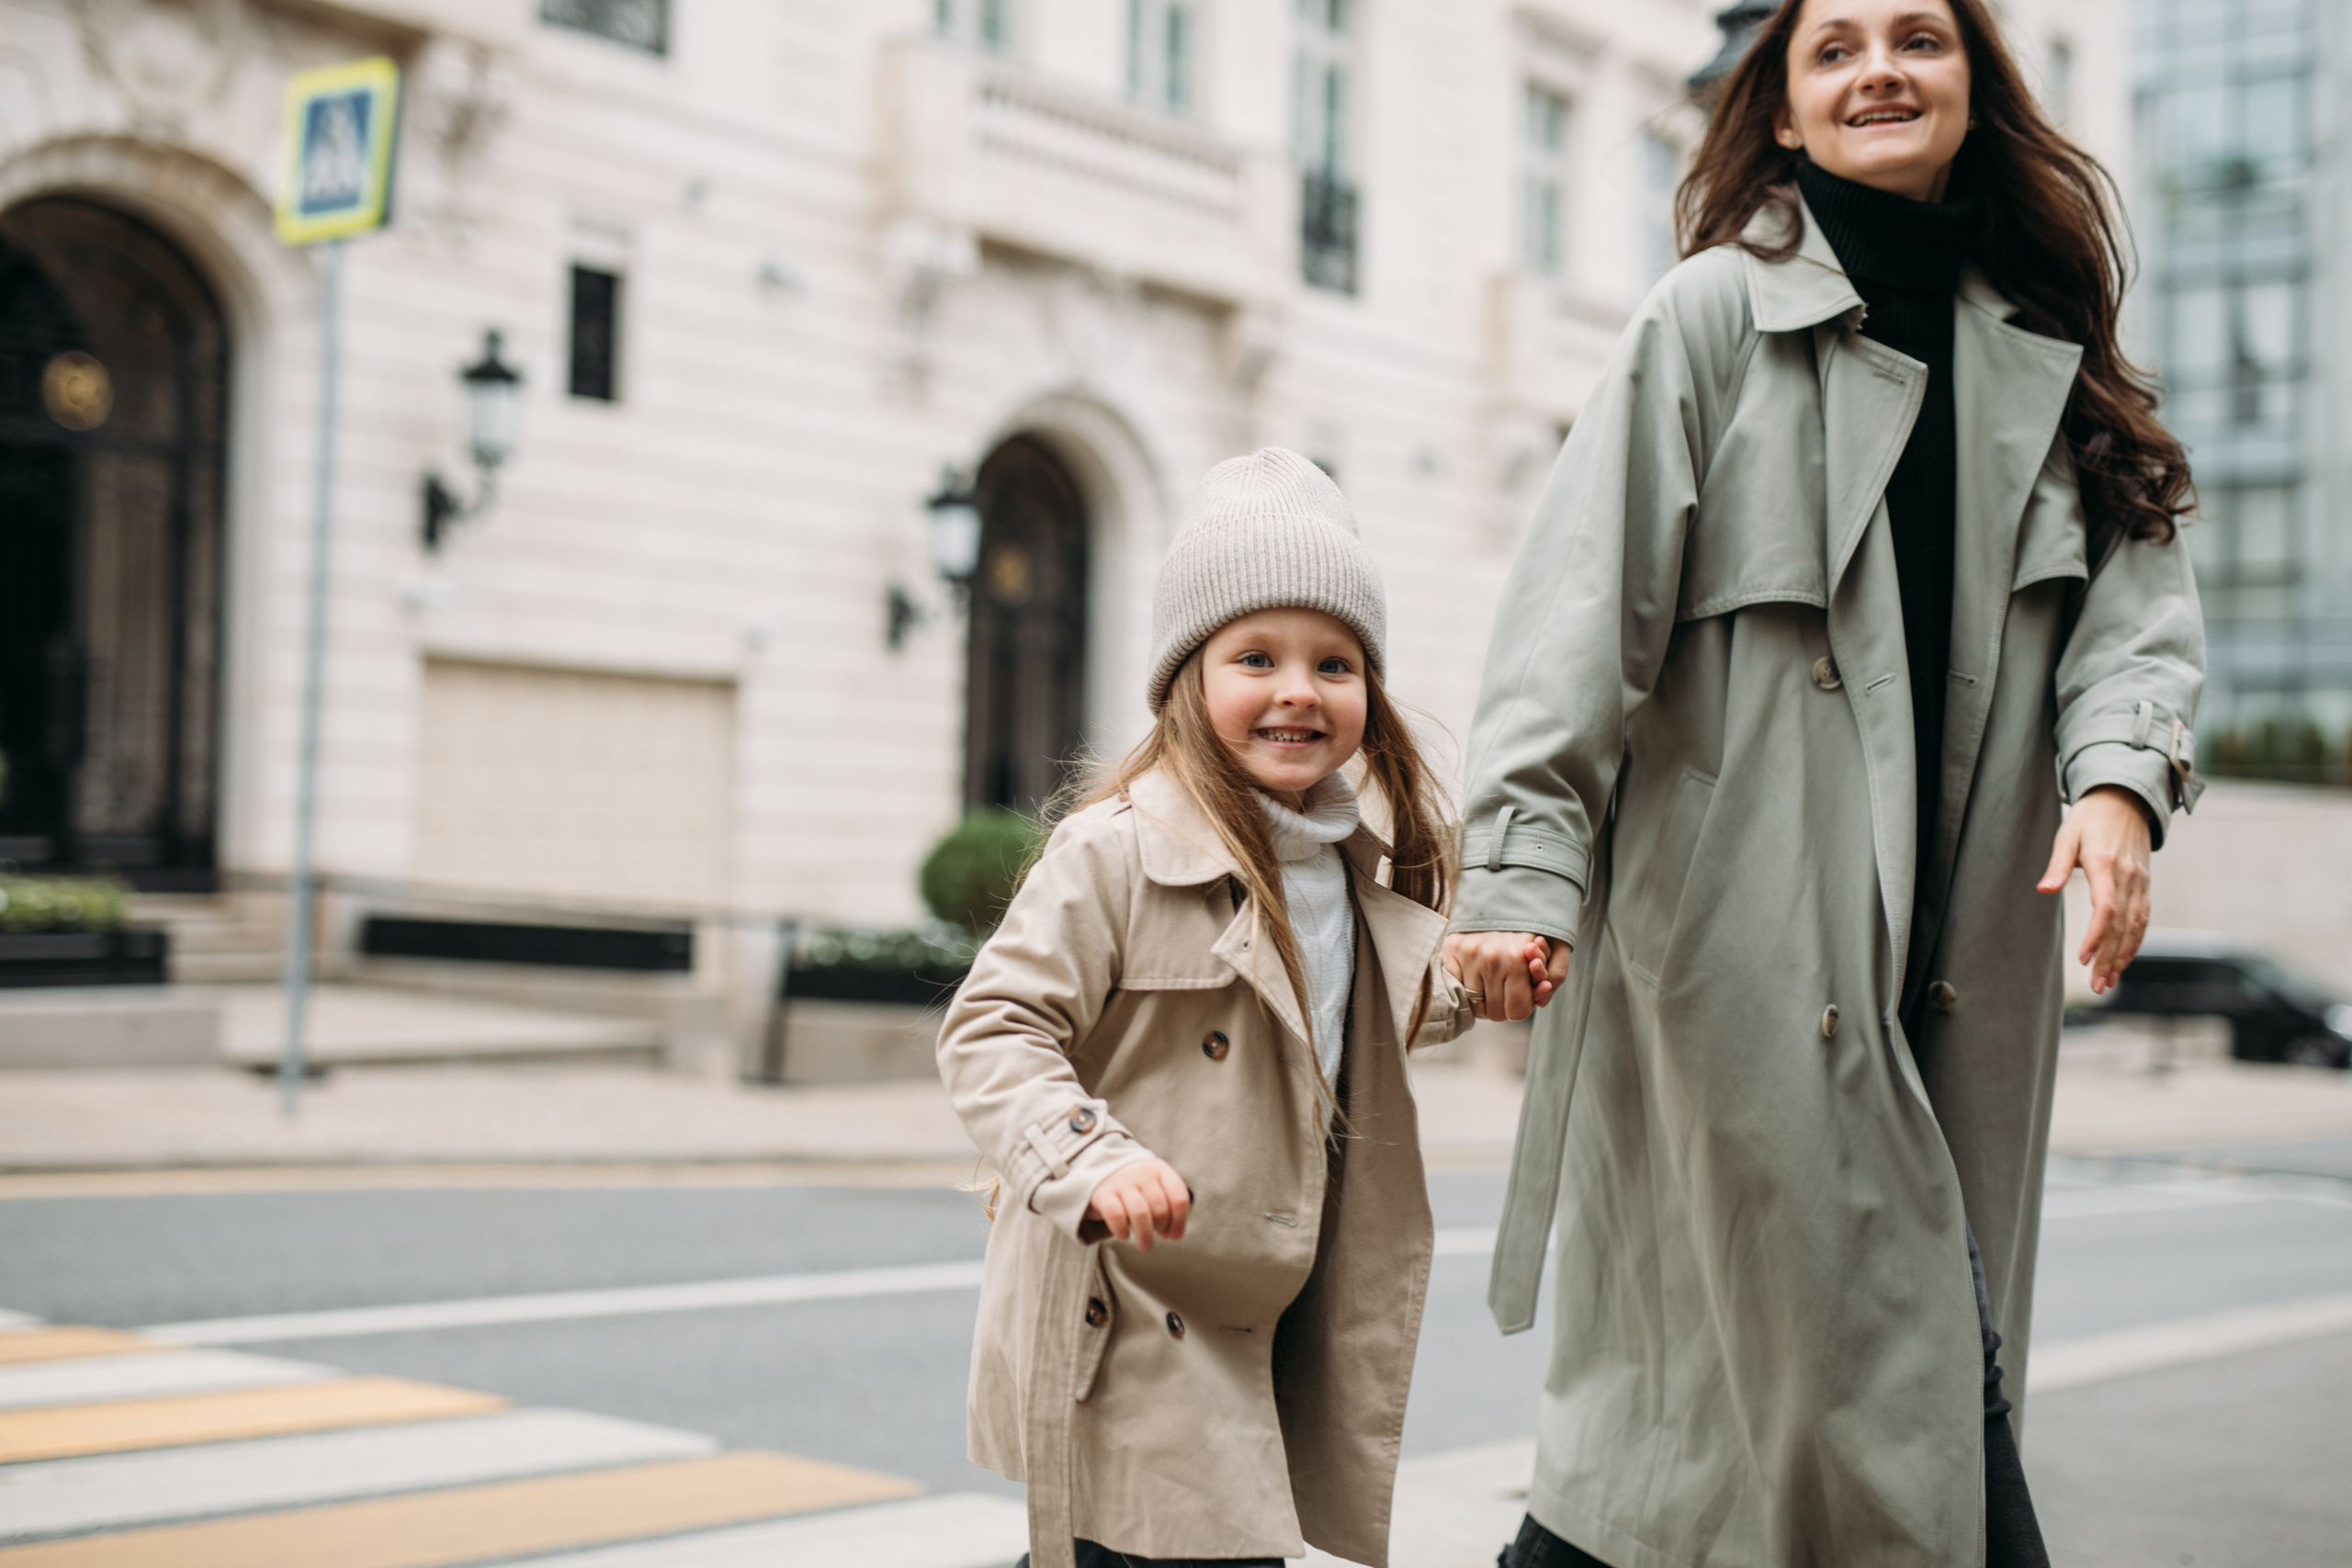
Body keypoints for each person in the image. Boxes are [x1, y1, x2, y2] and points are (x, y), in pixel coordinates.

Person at [1443, 0, 2205, 1564]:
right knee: (1709, 1425)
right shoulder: (1708, 322)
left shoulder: (2051, 355)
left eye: (1917, 39)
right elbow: (1574, 628)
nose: (1879, 70)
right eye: (1835, 45)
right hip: (1741, 960)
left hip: (1963, 984)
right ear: (1783, 112)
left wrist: (2119, 793)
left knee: (1843, 1422)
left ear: (1972, 88)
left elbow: (2136, 628)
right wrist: (1515, 879)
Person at [938, 447, 1475, 1568]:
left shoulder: (1342, 862)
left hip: (1267, 1302)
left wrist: (1479, 979)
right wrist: (1090, 1156)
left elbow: (1356, 1016)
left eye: (1335, 662)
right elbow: (993, 1028)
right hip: (1133, 1305)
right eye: (1256, 656)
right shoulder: (1118, 850)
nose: (1298, 689)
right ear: (1188, 677)